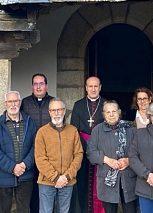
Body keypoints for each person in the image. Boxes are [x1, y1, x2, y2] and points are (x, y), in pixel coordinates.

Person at [0, 91, 37, 213]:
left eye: (15, 101)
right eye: (10, 101)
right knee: (3, 210)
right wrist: (13, 167)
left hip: (25, 175)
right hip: (3, 176)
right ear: (5, 104)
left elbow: (36, 147)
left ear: (20, 102)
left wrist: (25, 164)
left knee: (24, 209)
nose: (13, 104)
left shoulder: (30, 123)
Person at [34, 98, 84, 213]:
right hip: (46, 181)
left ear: (64, 110)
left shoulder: (73, 131)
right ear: (49, 112)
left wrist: (66, 177)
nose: (56, 113)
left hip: (67, 181)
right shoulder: (42, 132)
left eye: (59, 109)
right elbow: (40, 158)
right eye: (53, 110)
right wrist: (56, 178)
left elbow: (78, 154)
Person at [87, 100, 137, 213]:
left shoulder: (131, 129)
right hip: (106, 179)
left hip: (128, 177)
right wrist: (106, 160)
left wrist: (128, 161)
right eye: (108, 112)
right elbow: (90, 152)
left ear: (119, 112)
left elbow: (139, 151)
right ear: (103, 114)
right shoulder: (97, 130)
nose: (111, 114)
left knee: (130, 210)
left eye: (114, 111)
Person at [70, 76, 107, 213]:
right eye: (90, 86)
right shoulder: (78, 105)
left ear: (100, 87)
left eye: (95, 86)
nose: (93, 89)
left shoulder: (105, 104)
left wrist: (97, 149)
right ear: (86, 88)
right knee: (82, 184)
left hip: (101, 151)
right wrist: (86, 148)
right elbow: (74, 130)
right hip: (83, 151)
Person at [21, 73, 55, 212]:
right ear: (32, 86)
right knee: (33, 188)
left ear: (46, 86)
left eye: (41, 84)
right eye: (36, 84)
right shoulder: (25, 103)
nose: (39, 87)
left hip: (50, 152)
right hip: (30, 151)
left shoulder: (54, 102)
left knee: (49, 187)